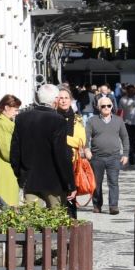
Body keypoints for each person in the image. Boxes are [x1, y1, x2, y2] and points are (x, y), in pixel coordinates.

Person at [10, 84, 76, 208]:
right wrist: (70, 183)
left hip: (29, 179)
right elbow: (61, 155)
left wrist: (20, 174)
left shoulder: (22, 118)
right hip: (53, 181)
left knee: (33, 222)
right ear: (56, 100)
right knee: (57, 221)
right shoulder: (58, 120)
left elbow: (14, 152)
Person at [85, 95, 129, 214]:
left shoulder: (118, 120)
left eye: (108, 105)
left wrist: (125, 154)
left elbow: (124, 137)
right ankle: (97, 205)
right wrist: (86, 149)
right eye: (103, 106)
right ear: (98, 107)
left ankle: (113, 206)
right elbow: (86, 137)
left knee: (113, 182)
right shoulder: (92, 121)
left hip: (114, 157)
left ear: (112, 107)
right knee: (96, 183)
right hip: (97, 157)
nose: (106, 108)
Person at [56, 87, 87, 218]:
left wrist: (61, 137)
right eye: (61, 98)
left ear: (71, 100)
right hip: (54, 161)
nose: (63, 101)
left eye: (66, 98)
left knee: (70, 197)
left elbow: (81, 141)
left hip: (71, 162)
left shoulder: (76, 119)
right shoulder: (52, 117)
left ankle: (71, 223)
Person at [0, 95, 22, 206]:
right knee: (7, 202)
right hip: (4, 168)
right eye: (15, 109)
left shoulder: (5, 122)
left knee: (11, 200)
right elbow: (7, 151)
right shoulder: (1, 124)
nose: (17, 113)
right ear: (6, 107)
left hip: (8, 167)